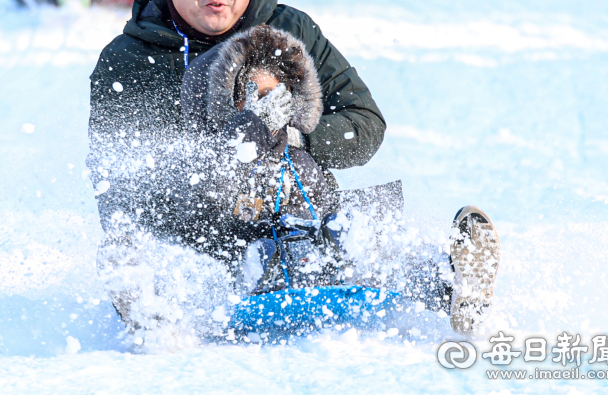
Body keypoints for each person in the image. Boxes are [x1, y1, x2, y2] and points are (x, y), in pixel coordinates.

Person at [88, 0, 500, 335]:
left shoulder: (289, 29)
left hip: (296, 207)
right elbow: (116, 177)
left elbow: (365, 121)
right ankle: (148, 301)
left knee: (348, 236)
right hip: (202, 232)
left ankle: (449, 282)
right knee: (183, 244)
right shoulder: (128, 59)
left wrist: (299, 136)